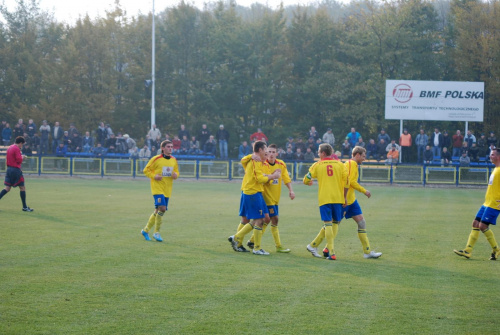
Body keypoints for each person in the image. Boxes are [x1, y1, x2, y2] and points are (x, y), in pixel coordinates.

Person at [228, 141, 281, 255]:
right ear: (260, 150)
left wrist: (271, 175)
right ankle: (243, 241)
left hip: (252, 192)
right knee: (258, 220)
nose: (267, 154)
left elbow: (261, 175)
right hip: (253, 193)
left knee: (259, 219)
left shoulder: (256, 161)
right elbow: (260, 179)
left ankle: (240, 242)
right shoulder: (255, 161)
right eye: (266, 151)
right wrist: (274, 176)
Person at [245, 144, 295, 253]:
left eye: (273, 152)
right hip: (265, 197)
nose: (271, 154)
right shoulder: (263, 163)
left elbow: (286, 178)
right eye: (269, 152)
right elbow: (261, 179)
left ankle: (250, 240)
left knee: (266, 220)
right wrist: (272, 176)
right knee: (272, 219)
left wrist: (291, 190)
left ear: (277, 153)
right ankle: (277, 246)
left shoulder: (281, 164)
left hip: (275, 198)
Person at [304, 143, 349, 260]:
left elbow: (306, 179)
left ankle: (332, 253)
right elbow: (347, 182)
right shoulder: (340, 165)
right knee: (335, 223)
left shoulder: (317, 165)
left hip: (325, 198)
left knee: (328, 224)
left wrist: (309, 181)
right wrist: (344, 197)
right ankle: (321, 248)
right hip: (338, 198)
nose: (318, 154)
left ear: (323, 153)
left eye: (319, 152)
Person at [454, 148, 500, 260]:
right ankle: (468, 251)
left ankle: (496, 249)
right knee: (475, 223)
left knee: (483, 226)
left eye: (493, 154)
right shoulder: (495, 169)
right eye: (490, 154)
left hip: (494, 204)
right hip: (486, 203)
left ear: (498, 156)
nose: (490, 156)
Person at [340, 146, 382, 258]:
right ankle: (315, 245)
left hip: (352, 200)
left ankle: (367, 252)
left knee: (362, 223)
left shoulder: (352, 164)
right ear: (357, 155)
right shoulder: (351, 164)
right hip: (344, 200)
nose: (365, 158)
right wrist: (364, 191)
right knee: (333, 225)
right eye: (363, 156)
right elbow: (351, 182)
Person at [140, 140, 179, 242]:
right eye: (168, 147)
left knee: (158, 210)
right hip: (157, 188)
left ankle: (145, 230)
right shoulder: (156, 159)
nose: (170, 148)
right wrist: (154, 176)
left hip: (167, 189)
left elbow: (176, 172)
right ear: (163, 148)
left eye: (171, 147)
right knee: (163, 208)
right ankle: (156, 233)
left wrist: (176, 175)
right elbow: (145, 170)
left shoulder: (174, 160)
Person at [0, 136, 34, 211]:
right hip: (15, 170)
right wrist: (23, 157)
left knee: (7, 188)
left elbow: (10, 158)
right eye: (22, 144)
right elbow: (19, 160)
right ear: (20, 143)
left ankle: (25, 207)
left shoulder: (10, 147)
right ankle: (24, 207)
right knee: (22, 187)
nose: (22, 146)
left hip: (9, 169)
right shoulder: (16, 148)